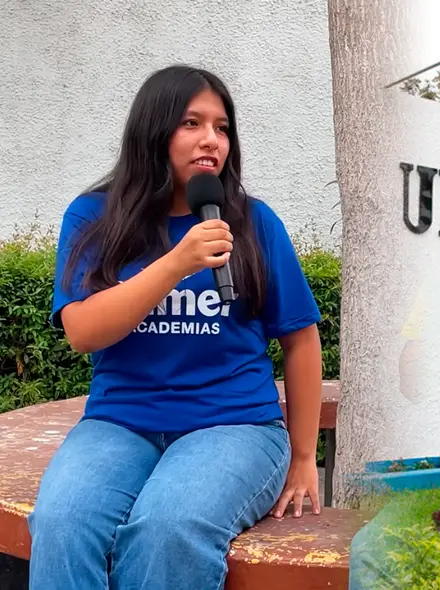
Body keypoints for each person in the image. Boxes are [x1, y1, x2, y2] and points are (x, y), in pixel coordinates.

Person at [27, 64, 325, 590]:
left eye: (222, 127)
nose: (211, 139)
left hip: (234, 426)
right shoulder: (93, 217)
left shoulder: (255, 223)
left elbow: (300, 341)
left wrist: (305, 458)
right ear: (154, 132)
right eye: (192, 123)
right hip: (121, 421)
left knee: (169, 528)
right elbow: (82, 331)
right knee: (61, 522)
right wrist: (176, 263)